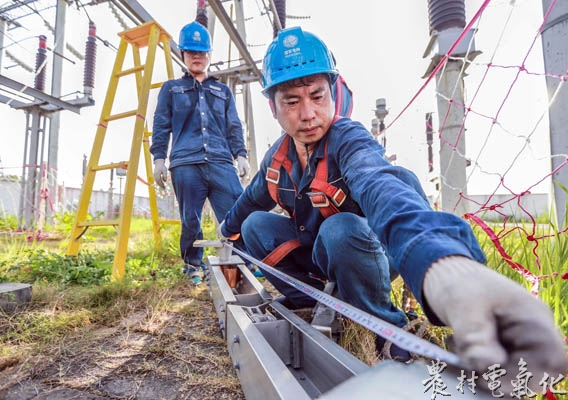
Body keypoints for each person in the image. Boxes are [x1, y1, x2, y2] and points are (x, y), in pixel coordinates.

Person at [220, 26, 567, 390]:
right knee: (255, 225)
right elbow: (247, 204)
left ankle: (389, 330)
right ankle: (310, 300)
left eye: (317, 96)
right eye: (292, 101)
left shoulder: (349, 141)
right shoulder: (278, 160)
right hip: (319, 256)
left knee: (342, 229)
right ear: (273, 107)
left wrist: (445, 267)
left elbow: (382, 188)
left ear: (333, 93)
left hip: (369, 250)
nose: (308, 113)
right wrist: (226, 239)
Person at [151, 21, 252, 285]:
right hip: (185, 163)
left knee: (236, 214)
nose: (197, 56)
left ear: (209, 55)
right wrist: (159, 159)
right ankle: (193, 265)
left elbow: (233, 125)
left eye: (201, 52)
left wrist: (240, 154)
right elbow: (161, 124)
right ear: (183, 55)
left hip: (221, 161)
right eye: (191, 52)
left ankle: (245, 261)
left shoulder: (222, 90)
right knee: (190, 219)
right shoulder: (171, 89)